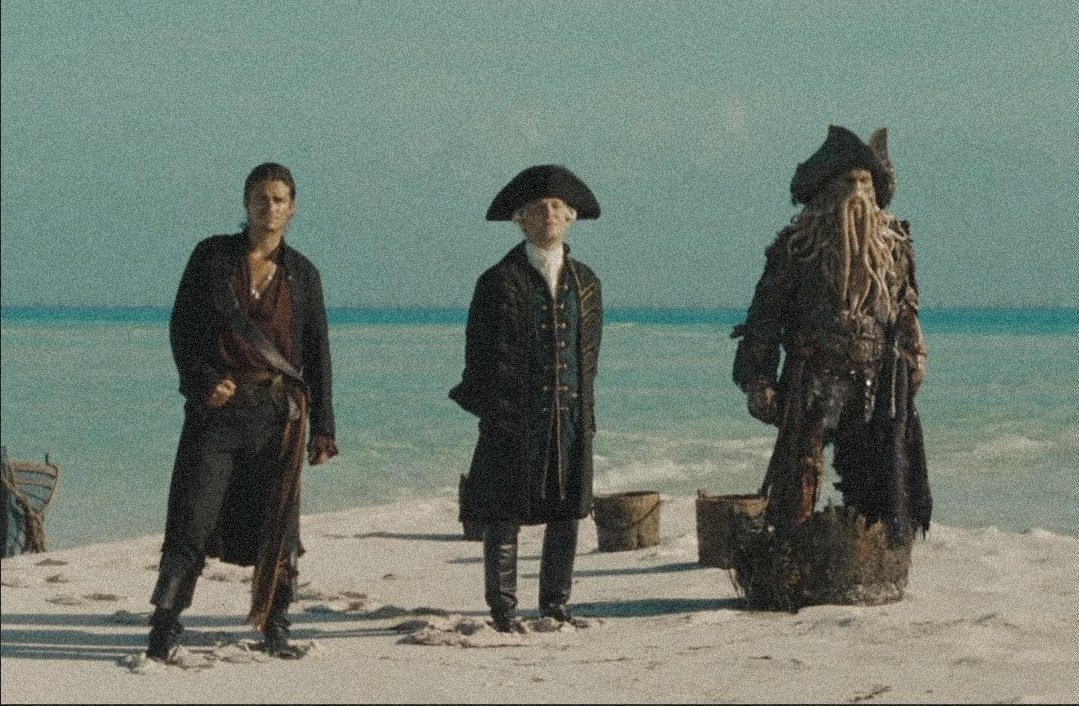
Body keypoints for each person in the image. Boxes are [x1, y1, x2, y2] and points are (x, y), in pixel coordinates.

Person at [147, 162, 338, 661]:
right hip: (216, 413)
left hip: (277, 418)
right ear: (246, 202)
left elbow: (317, 354)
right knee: (190, 519)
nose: (268, 207)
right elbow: (182, 329)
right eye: (259, 197)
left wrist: (324, 428)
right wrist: (202, 381)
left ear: (292, 208)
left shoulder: (304, 274)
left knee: (281, 529)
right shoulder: (211, 257)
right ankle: (163, 626)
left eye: (278, 199)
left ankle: (276, 626)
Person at [732, 126, 931, 543]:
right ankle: (791, 548)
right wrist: (759, 379)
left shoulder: (895, 245)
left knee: (875, 478)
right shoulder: (796, 247)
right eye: (848, 182)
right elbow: (765, 316)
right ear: (827, 190)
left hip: (875, 377)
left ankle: (867, 552)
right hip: (813, 377)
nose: (857, 191)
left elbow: (904, 308)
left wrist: (915, 355)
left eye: (865, 182)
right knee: (798, 476)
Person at [450, 164, 603, 632]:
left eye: (557, 207)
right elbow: (477, 357)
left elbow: (589, 355)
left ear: (571, 216)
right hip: (511, 418)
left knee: (568, 511)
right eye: (537, 208)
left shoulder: (587, 282)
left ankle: (555, 604)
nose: (548, 214)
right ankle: (503, 609)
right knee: (503, 512)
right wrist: (495, 412)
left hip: (569, 414)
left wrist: (583, 411)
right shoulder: (496, 281)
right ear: (520, 219)